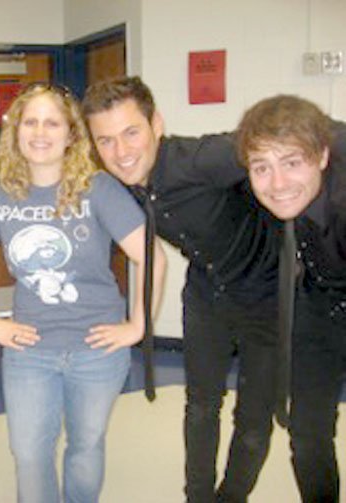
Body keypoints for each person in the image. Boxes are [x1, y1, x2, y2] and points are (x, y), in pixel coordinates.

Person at [0, 82, 166, 502]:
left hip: (97, 351)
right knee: (28, 455)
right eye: (30, 122)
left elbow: (152, 256)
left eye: (52, 122)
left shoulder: (98, 190)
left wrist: (138, 326)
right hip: (30, 353)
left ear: (70, 134)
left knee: (85, 448)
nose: (40, 132)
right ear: (15, 132)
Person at [83, 77, 280, 503]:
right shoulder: (119, 185)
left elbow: (279, 140)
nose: (121, 152)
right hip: (207, 293)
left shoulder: (201, 159)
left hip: (269, 297)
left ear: (156, 124)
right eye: (106, 140)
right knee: (201, 407)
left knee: (253, 419)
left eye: (131, 132)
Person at [237, 94, 346, 503]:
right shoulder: (281, 196)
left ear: (322, 156)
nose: (277, 184)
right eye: (261, 167)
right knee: (307, 431)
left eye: (292, 162)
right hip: (321, 306)